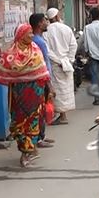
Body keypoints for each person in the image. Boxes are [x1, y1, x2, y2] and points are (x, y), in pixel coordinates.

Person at [0, 24, 50, 168]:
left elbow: (43, 71)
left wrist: (48, 89)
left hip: (35, 94)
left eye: (31, 33)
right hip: (18, 97)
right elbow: (3, 70)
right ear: (21, 35)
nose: (31, 36)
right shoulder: (11, 53)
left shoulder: (35, 49)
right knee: (18, 125)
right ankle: (27, 150)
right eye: (29, 33)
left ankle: (26, 153)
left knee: (33, 123)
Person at [44, 8, 78, 124]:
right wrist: (69, 60)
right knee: (65, 90)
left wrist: (58, 61)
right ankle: (62, 115)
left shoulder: (46, 32)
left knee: (57, 90)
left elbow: (47, 51)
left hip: (55, 64)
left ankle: (62, 116)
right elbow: (73, 45)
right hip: (66, 64)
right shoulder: (66, 28)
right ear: (57, 16)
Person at [29, 13, 55, 149]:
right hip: (42, 79)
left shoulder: (38, 39)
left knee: (42, 108)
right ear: (39, 24)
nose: (46, 23)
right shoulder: (38, 41)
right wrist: (49, 83)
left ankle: (41, 135)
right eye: (44, 20)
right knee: (40, 109)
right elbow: (43, 63)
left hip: (42, 78)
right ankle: (39, 138)